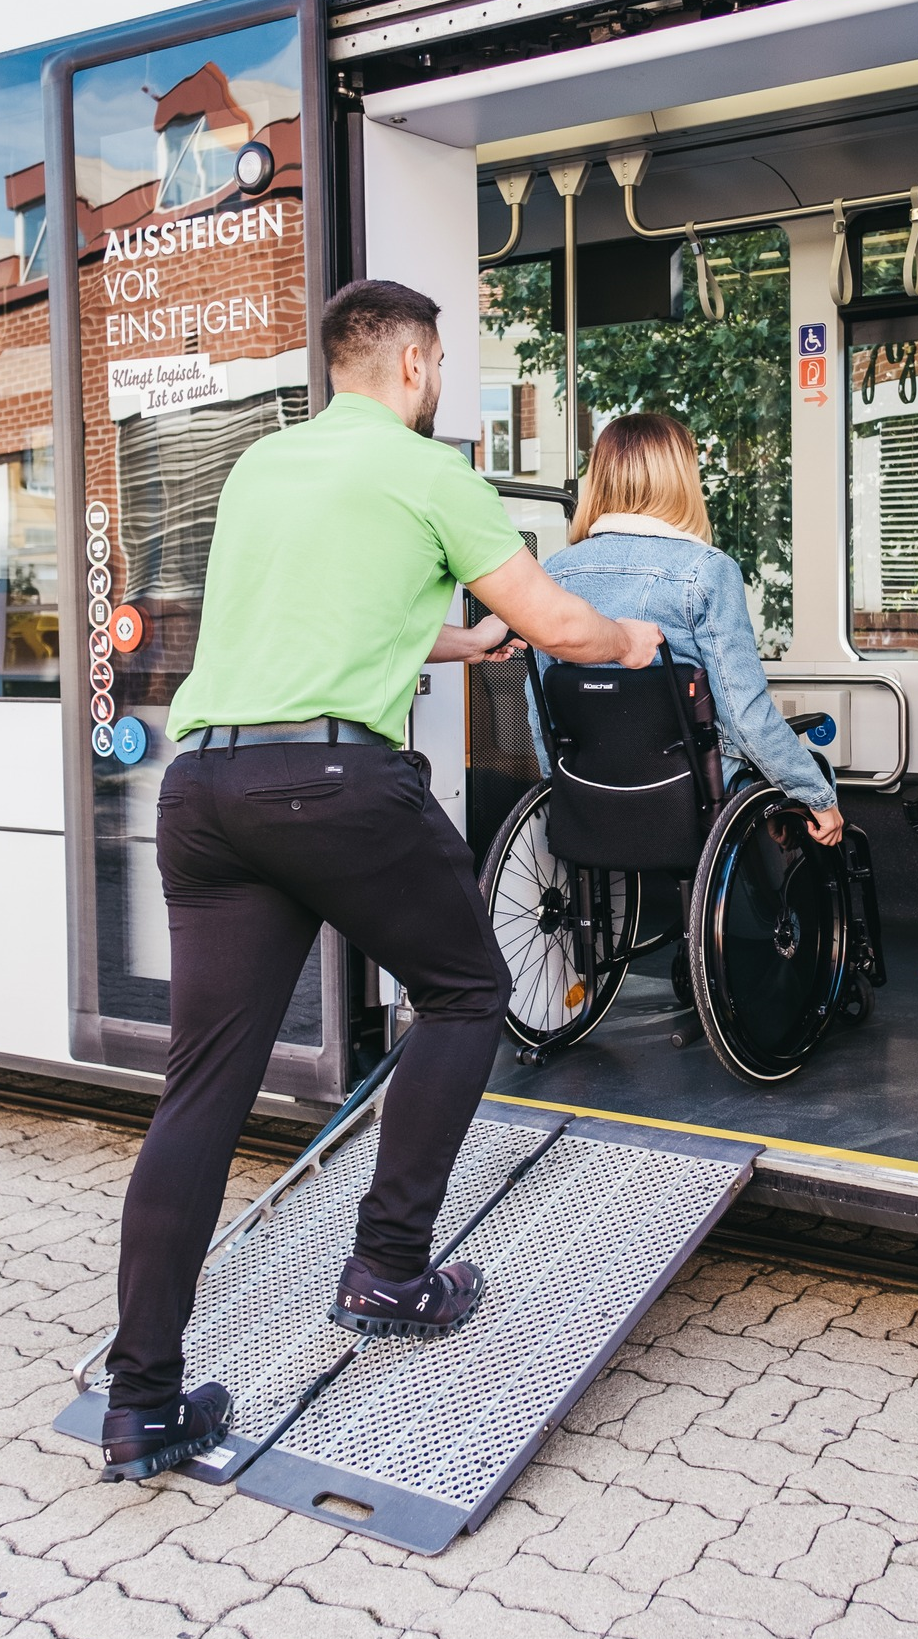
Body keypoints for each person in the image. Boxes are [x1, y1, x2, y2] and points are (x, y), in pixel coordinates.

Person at [98, 279, 661, 1483]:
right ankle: (390, 1268)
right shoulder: (428, 469)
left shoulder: (262, 466)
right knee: (467, 990)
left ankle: (142, 1400)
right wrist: (629, 641)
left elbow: (311, 623)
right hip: (334, 789)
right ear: (412, 366)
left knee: (201, 1089)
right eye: (441, 363)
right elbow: (561, 621)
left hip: (205, 791)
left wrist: (454, 640)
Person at [537, 412, 842, 844]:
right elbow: (745, 716)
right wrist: (817, 793)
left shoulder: (552, 575)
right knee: (815, 775)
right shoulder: (705, 571)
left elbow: (543, 713)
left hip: (590, 790)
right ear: (681, 479)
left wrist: (562, 784)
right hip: (690, 795)